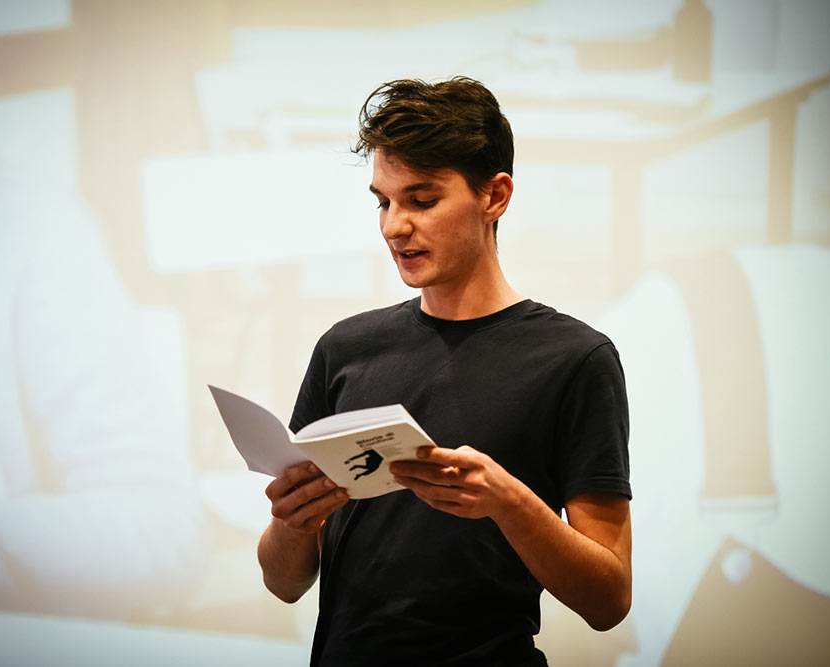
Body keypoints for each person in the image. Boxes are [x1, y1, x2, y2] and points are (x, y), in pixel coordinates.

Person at [257, 77, 632, 666]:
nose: (393, 226)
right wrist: (293, 522)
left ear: (495, 197)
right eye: (384, 202)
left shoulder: (574, 359)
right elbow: (283, 582)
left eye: (422, 200)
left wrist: (509, 502)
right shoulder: (345, 348)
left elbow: (609, 599)